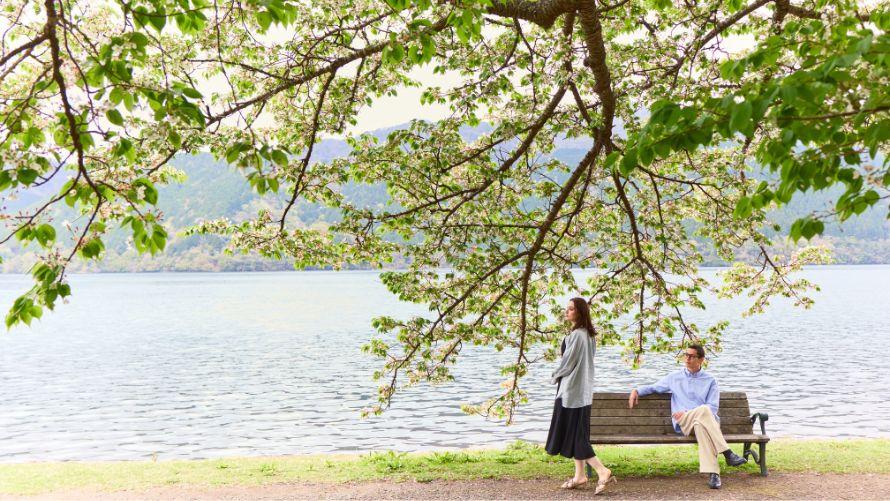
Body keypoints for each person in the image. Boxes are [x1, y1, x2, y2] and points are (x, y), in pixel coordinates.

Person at [628, 344, 748, 489]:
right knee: (703, 411)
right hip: (683, 423)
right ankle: (728, 453)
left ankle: (714, 474)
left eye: (691, 356)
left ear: (701, 359)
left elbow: (713, 408)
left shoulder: (710, 380)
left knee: (701, 423)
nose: (687, 358)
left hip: (704, 422)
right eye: (686, 355)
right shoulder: (674, 377)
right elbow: (654, 387)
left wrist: (688, 412)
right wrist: (637, 390)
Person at [545, 297, 616, 494]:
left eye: (571, 309)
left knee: (577, 436)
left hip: (571, 393)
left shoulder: (577, 335)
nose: (566, 312)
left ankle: (602, 471)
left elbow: (567, 363)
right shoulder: (589, 335)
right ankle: (580, 476)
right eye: (566, 308)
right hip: (583, 393)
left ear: (580, 312)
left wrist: (553, 376)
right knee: (577, 433)